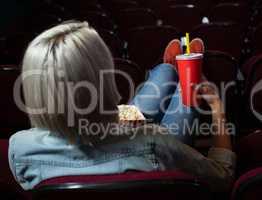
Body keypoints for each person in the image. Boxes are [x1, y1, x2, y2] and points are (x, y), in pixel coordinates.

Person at [9, 21, 235, 192]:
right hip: (149, 149)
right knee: (186, 92)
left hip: (107, 124)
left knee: (164, 73)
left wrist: (105, 117)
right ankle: (185, 75)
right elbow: (222, 175)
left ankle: (170, 69)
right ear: (105, 81)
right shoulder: (154, 140)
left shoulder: (19, 147)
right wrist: (216, 107)